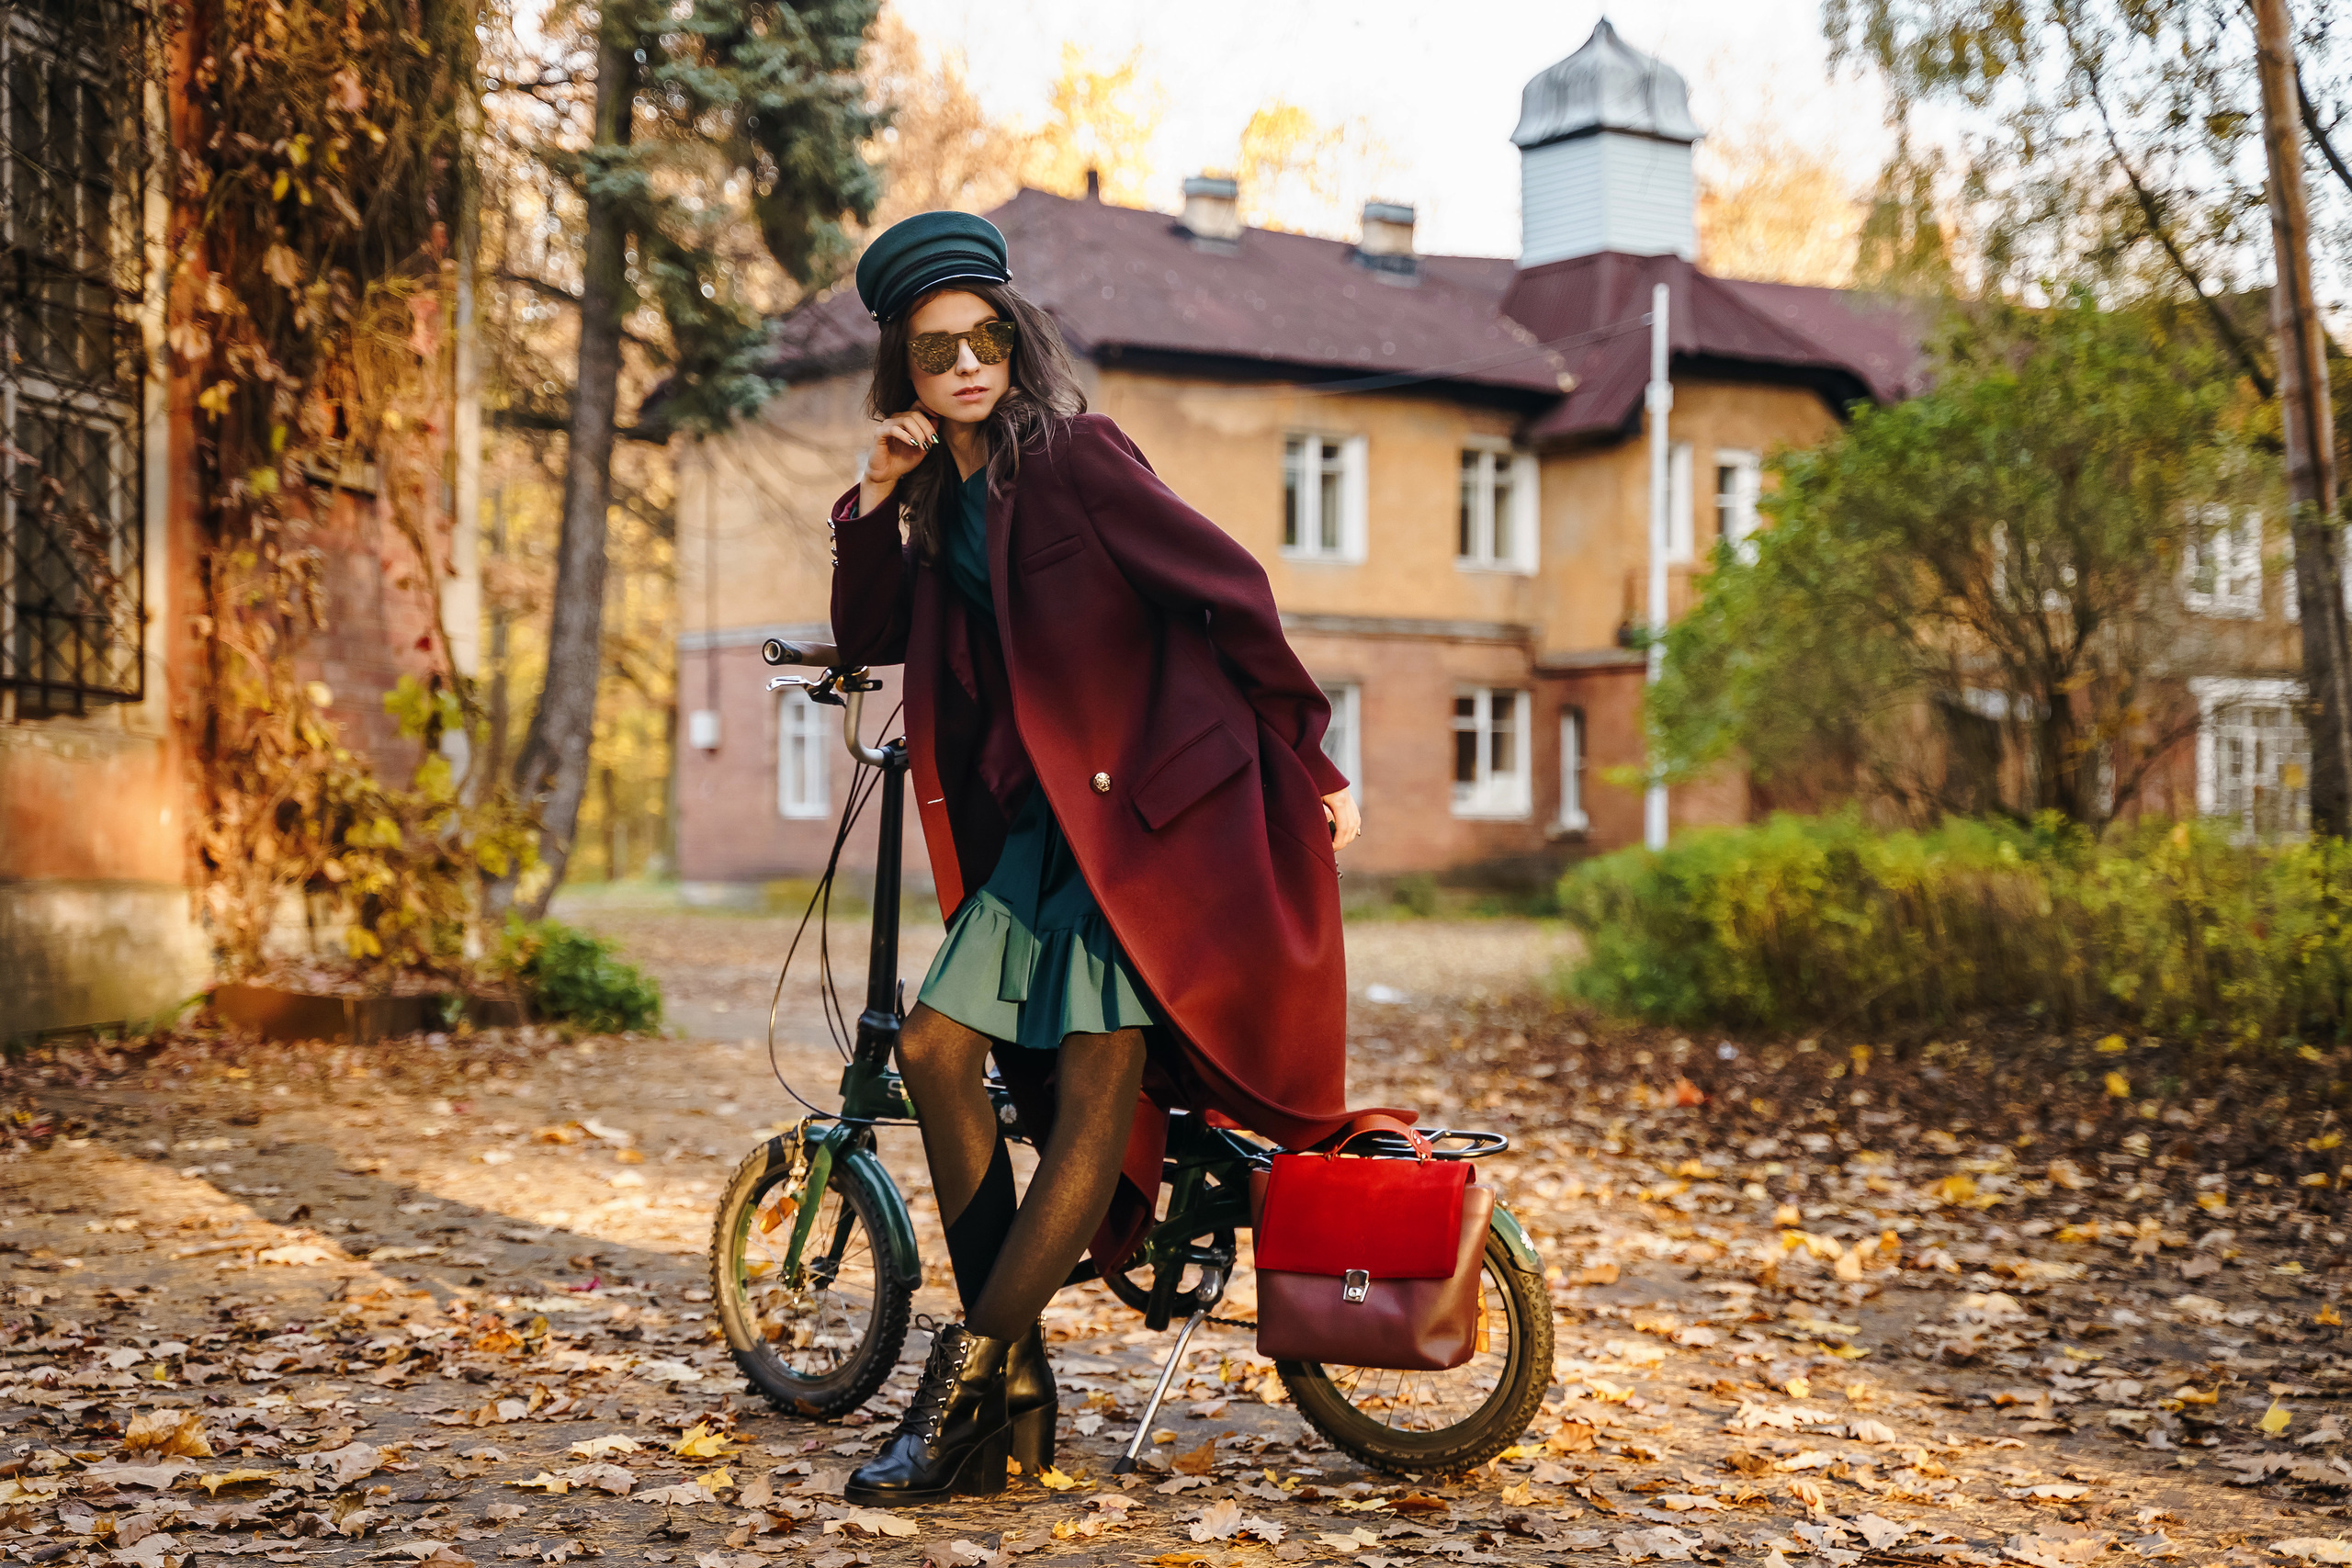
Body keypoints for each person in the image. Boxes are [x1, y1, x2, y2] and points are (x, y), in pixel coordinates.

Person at [826, 211, 1377, 1506]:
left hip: (1142, 832)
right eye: (933, 351)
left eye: (983, 336)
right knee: (935, 1052)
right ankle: (1008, 1390)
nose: (965, 364)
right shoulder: (937, 495)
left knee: (1093, 1092)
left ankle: (967, 1396)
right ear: (905, 375)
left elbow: (1228, 586)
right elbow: (867, 635)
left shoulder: (1074, 457)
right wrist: (877, 495)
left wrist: (1314, 757)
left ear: (1016, 339)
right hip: (1033, 837)